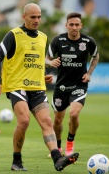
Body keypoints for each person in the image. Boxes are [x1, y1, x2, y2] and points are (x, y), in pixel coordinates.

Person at [0, 3, 79, 171]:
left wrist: (41, 75)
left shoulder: (43, 37)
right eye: (33, 17)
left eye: (39, 17)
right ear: (23, 17)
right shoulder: (13, 35)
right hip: (17, 86)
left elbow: (36, 61)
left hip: (37, 87)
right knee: (24, 121)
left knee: (47, 121)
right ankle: (17, 160)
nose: (37, 20)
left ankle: (57, 159)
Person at [46, 12, 99, 157]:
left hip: (79, 85)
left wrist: (89, 73)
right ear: (66, 25)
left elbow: (96, 57)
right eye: (71, 24)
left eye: (77, 25)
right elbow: (46, 58)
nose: (74, 27)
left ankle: (70, 142)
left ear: (81, 26)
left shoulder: (88, 42)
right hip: (61, 86)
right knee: (57, 120)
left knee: (74, 114)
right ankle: (57, 147)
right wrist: (50, 62)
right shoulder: (58, 40)